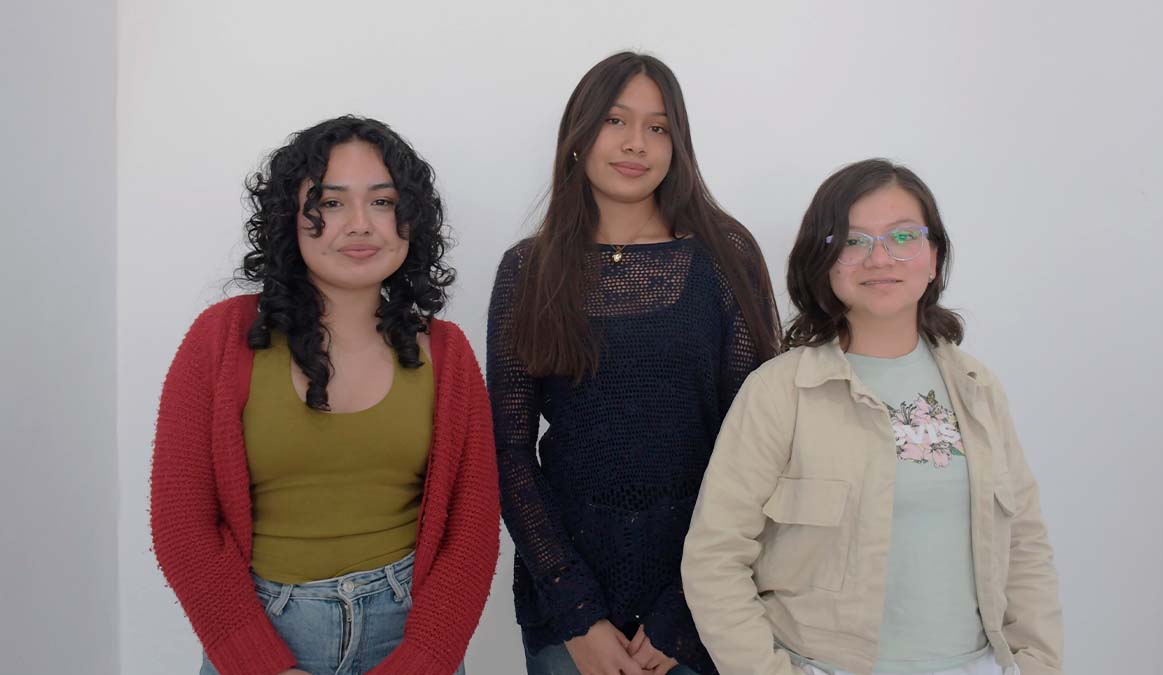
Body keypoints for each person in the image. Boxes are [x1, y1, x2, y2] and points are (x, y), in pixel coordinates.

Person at [682, 158, 1064, 675]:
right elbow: (714, 557)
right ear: (822, 262)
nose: (879, 257)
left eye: (903, 237)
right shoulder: (779, 392)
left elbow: (1024, 544)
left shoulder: (978, 388)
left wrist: (1038, 663)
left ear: (934, 258)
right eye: (853, 240)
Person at [150, 115, 499, 675]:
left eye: (382, 202)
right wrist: (259, 663)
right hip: (263, 635)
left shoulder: (448, 353)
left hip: (410, 637)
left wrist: (423, 661)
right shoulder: (221, 338)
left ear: (411, 218)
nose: (360, 224)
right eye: (331, 203)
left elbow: (472, 530)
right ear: (289, 218)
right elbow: (181, 522)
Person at [487, 51, 780, 675]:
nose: (635, 144)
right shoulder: (527, 270)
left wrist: (685, 609)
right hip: (567, 602)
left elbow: (758, 447)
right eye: (615, 121)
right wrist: (576, 612)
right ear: (579, 134)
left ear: (678, 145)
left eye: (658, 127)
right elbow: (507, 452)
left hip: (705, 593)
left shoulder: (726, 258)